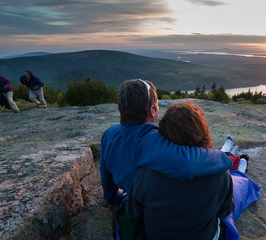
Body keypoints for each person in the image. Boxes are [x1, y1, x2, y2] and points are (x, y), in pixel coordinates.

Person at [117, 101, 260, 240]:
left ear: (163, 134)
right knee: (237, 192)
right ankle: (241, 173)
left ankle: (236, 165)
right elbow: (225, 212)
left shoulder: (146, 172)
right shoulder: (220, 176)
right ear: (202, 132)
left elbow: (133, 214)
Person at [100, 79, 233, 205]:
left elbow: (105, 173)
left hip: (133, 195)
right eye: (157, 105)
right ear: (152, 111)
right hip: (154, 205)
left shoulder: (109, 134)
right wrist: (221, 156)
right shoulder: (154, 142)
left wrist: (111, 197)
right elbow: (189, 162)